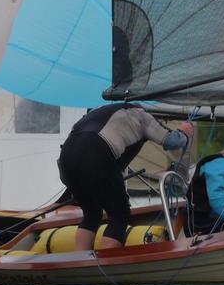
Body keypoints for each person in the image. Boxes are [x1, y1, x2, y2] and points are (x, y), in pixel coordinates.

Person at [57, 103, 194, 251]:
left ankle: (81, 261)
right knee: (119, 215)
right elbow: (172, 141)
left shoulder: (101, 111)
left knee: (91, 213)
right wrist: (184, 132)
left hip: (66, 158)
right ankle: (105, 264)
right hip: (96, 156)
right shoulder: (141, 115)